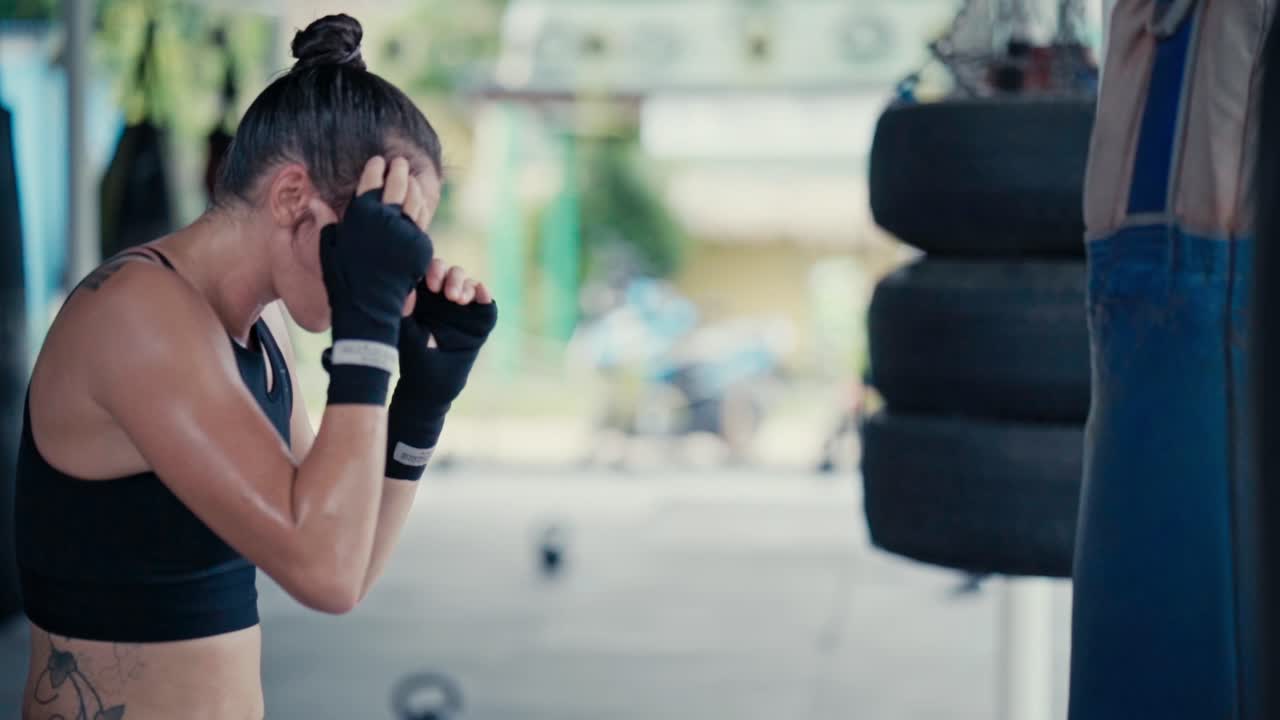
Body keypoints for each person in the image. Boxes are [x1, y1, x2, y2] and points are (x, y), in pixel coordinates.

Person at [14, 14, 496, 720]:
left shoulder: (258, 331)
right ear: (293, 197)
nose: (389, 268)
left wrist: (420, 406)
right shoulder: (137, 315)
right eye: (377, 237)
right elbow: (323, 571)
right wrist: (365, 331)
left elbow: (347, 563)